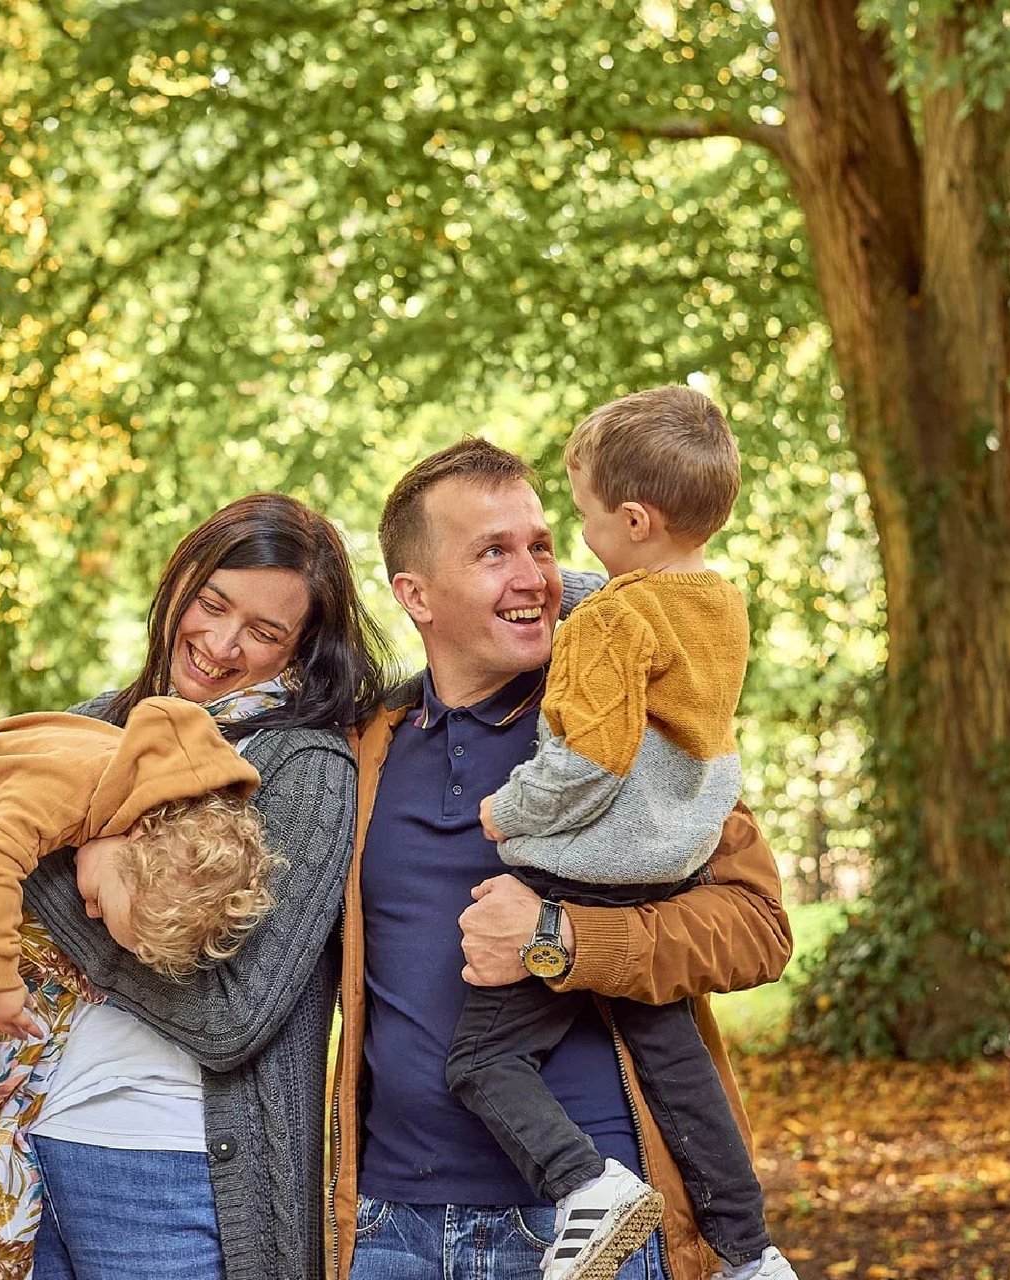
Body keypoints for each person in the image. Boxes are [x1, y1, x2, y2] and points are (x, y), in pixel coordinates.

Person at [0, 493, 386, 1280]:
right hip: (33, 1150)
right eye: (211, 603)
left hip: (173, 1169)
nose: (220, 643)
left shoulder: (300, 768)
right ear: (180, 584)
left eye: (264, 632)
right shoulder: (90, 725)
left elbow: (233, 1015)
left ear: (302, 649)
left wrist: (47, 873)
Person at [329, 438, 794, 1280]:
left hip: (591, 1233)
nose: (534, 574)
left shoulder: (635, 727)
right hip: (390, 1225)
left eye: (541, 544)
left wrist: (560, 939)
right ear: (416, 595)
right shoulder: (365, 751)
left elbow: (757, 929)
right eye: (493, 552)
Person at [0, 697, 275, 1195]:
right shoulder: (63, 797)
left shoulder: (140, 791)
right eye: (103, 904)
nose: (89, 913)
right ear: (135, 844)